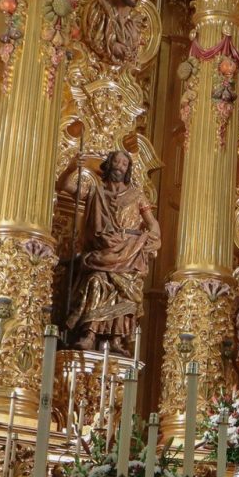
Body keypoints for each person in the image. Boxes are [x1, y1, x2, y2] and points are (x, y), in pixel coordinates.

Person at [64, 151, 161, 352]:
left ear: (128, 169)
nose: (119, 166)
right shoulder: (96, 192)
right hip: (104, 251)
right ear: (109, 164)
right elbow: (65, 187)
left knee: (127, 290)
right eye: (116, 161)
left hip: (129, 251)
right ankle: (90, 334)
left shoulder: (137, 196)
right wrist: (72, 167)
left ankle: (117, 339)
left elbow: (153, 224)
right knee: (95, 281)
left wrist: (154, 239)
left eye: (124, 164)